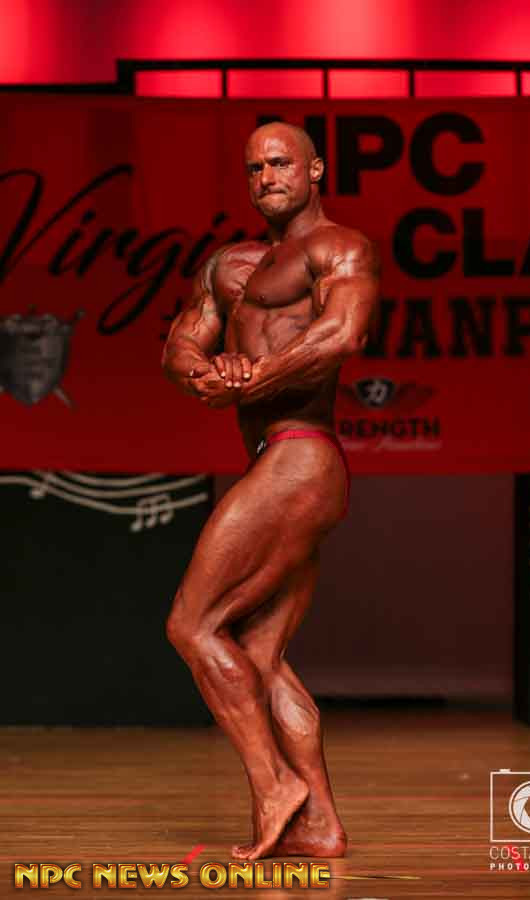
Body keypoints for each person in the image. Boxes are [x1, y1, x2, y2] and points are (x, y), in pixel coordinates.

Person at [162, 122, 380, 861]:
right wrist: (208, 371)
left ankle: (273, 785)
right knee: (258, 653)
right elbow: (179, 346)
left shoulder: (339, 247)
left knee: (192, 626)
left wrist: (254, 378)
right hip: (275, 460)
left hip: (301, 456)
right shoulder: (229, 265)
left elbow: (342, 334)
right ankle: (320, 823)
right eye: (254, 167)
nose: (266, 177)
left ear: (316, 169)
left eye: (281, 162)